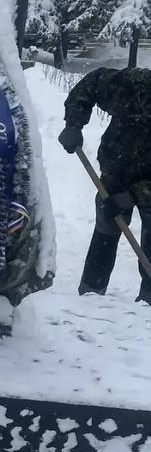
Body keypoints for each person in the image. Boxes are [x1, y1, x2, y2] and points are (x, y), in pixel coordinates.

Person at [60, 66, 151, 304]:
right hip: (117, 170)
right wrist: (73, 125)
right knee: (107, 224)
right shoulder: (133, 85)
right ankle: (90, 294)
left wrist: (134, 196)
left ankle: (148, 303)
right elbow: (91, 84)